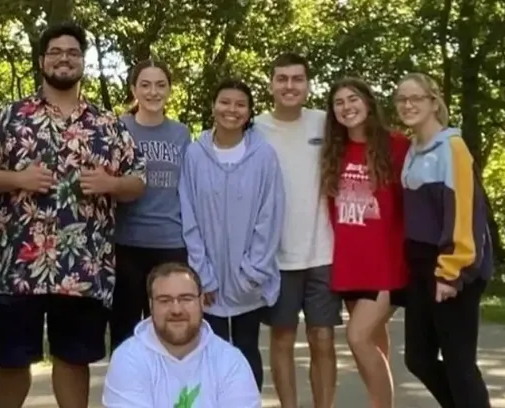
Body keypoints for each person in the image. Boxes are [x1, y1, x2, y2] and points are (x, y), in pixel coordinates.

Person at [0, 21, 146, 408]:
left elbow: (138, 179)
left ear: (82, 62)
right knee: (10, 361)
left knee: (73, 358)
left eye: (72, 53)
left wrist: (111, 184)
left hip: (84, 268)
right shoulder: (9, 117)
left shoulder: (107, 124)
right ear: (41, 61)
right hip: (15, 266)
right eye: (55, 52)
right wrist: (17, 178)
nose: (64, 59)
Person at [395, 72, 492, 408]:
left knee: (459, 364)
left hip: (451, 268)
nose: (407, 105)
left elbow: (464, 213)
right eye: (401, 99)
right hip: (421, 268)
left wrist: (451, 271)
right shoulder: (414, 149)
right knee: (418, 358)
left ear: (434, 102)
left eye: (415, 98)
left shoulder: (452, 147)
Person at [180, 79, 284, 390]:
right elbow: (189, 217)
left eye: (240, 104)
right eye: (225, 102)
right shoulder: (194, 155)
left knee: (245, 351)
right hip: (208, 282)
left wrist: (253, 271)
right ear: (213, 106)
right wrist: (202, 275)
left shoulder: (264, 155)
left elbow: (271, 216)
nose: (232, 110)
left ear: (250, 112)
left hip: (248, 279)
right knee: (212, 354)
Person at [254, 52, 339, 408]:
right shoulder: (255, 128)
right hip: (276, 255)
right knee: (283, 339)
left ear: (307, 84)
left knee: (323, 338)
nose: (290, 86)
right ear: (271, 83)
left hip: (324, 252)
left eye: (297, 79)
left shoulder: (326, 122)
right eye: (282, 78)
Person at [319, 77, 409, 408]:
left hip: (385, 264)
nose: (347, 107)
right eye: (339, 102)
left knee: (357, 337)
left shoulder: (397, 146)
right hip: (348, 264)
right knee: (371, 343)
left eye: (353, 99)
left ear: (368, 103)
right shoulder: (333, 151)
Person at [110, 59, 191, 350]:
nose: (153, 92)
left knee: (170, 329)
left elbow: (188, 190)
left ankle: (170, 393)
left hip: (170, 243)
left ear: (169, 90)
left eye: (160, 85)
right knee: (127, 334)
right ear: (134, 89)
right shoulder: (118, 127)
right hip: (127, 243)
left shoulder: (181, 134)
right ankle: (129, 393)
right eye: (145, 85)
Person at [103, 262, 262, 408]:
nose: (176, 310)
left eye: (186, 299)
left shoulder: (230, 361)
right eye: (164, 300)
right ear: (151, 305)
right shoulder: (128, 358)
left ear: (201, 302)